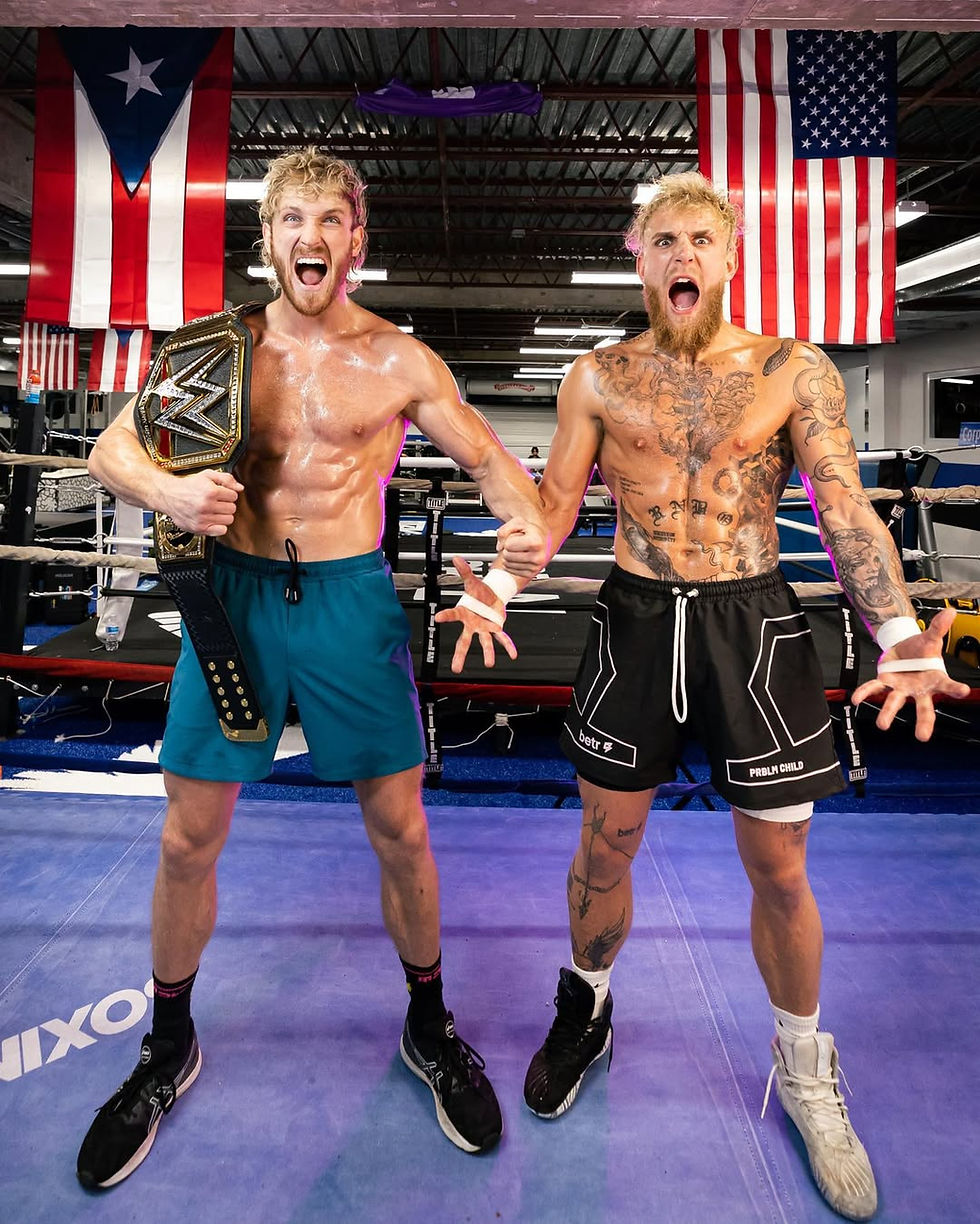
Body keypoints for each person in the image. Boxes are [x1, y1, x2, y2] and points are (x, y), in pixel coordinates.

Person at [78, 147, 548, 1188]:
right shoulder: (216, 349)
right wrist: (166, 496)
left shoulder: (398, 359)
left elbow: (490, 463)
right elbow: (113, 450)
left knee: (400, 827)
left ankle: (427, 1025)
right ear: (269, 237)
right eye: (293, 217)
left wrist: (518, 541)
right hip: (233, 598)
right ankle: (167, 1044)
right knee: (187, 834)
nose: (311, 236)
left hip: (349, 601)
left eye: (331, 218)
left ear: (354, 241)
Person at [512, 172, 969, 1223]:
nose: (680, 256)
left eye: (698, 241)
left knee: (777, 862)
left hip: (748, 623)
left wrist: (896, 635)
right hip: (632, 619)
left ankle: (804, 1066)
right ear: (638, 255)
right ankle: (584, 1006)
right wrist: (499, 573)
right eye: (661, 239)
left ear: (726, 258)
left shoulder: (785, 368)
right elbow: (549, 504)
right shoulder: (593, 375)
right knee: (603, 848)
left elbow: (840, 502)